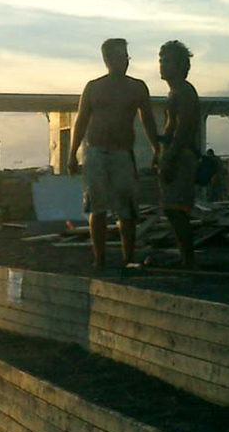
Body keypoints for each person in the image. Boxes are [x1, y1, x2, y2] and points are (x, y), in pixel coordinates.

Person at [68, 38, 162, 273]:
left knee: (127, 210)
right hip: (95, 152)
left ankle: (128, 258)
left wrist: (157, 149)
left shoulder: (137, 87)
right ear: (108, 59)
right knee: (96, 207)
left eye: (127, 57)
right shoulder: (93, 87)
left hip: (122, 153)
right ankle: (99, 259)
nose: (126, 61)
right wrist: (72, 153)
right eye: (121, 57)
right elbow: (81, 121)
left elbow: (148, 120)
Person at [157, 41, 201, 269]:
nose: (162, 66)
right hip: (176, 154)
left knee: (177, 210)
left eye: (167, 61)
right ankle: (185, 258)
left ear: (181, 65)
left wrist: (170, 157)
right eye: (161, 61)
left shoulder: (184, 92)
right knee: (172, 209)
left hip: (181, 157)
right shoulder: (176, 92)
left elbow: (183, 129)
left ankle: (188, 261)